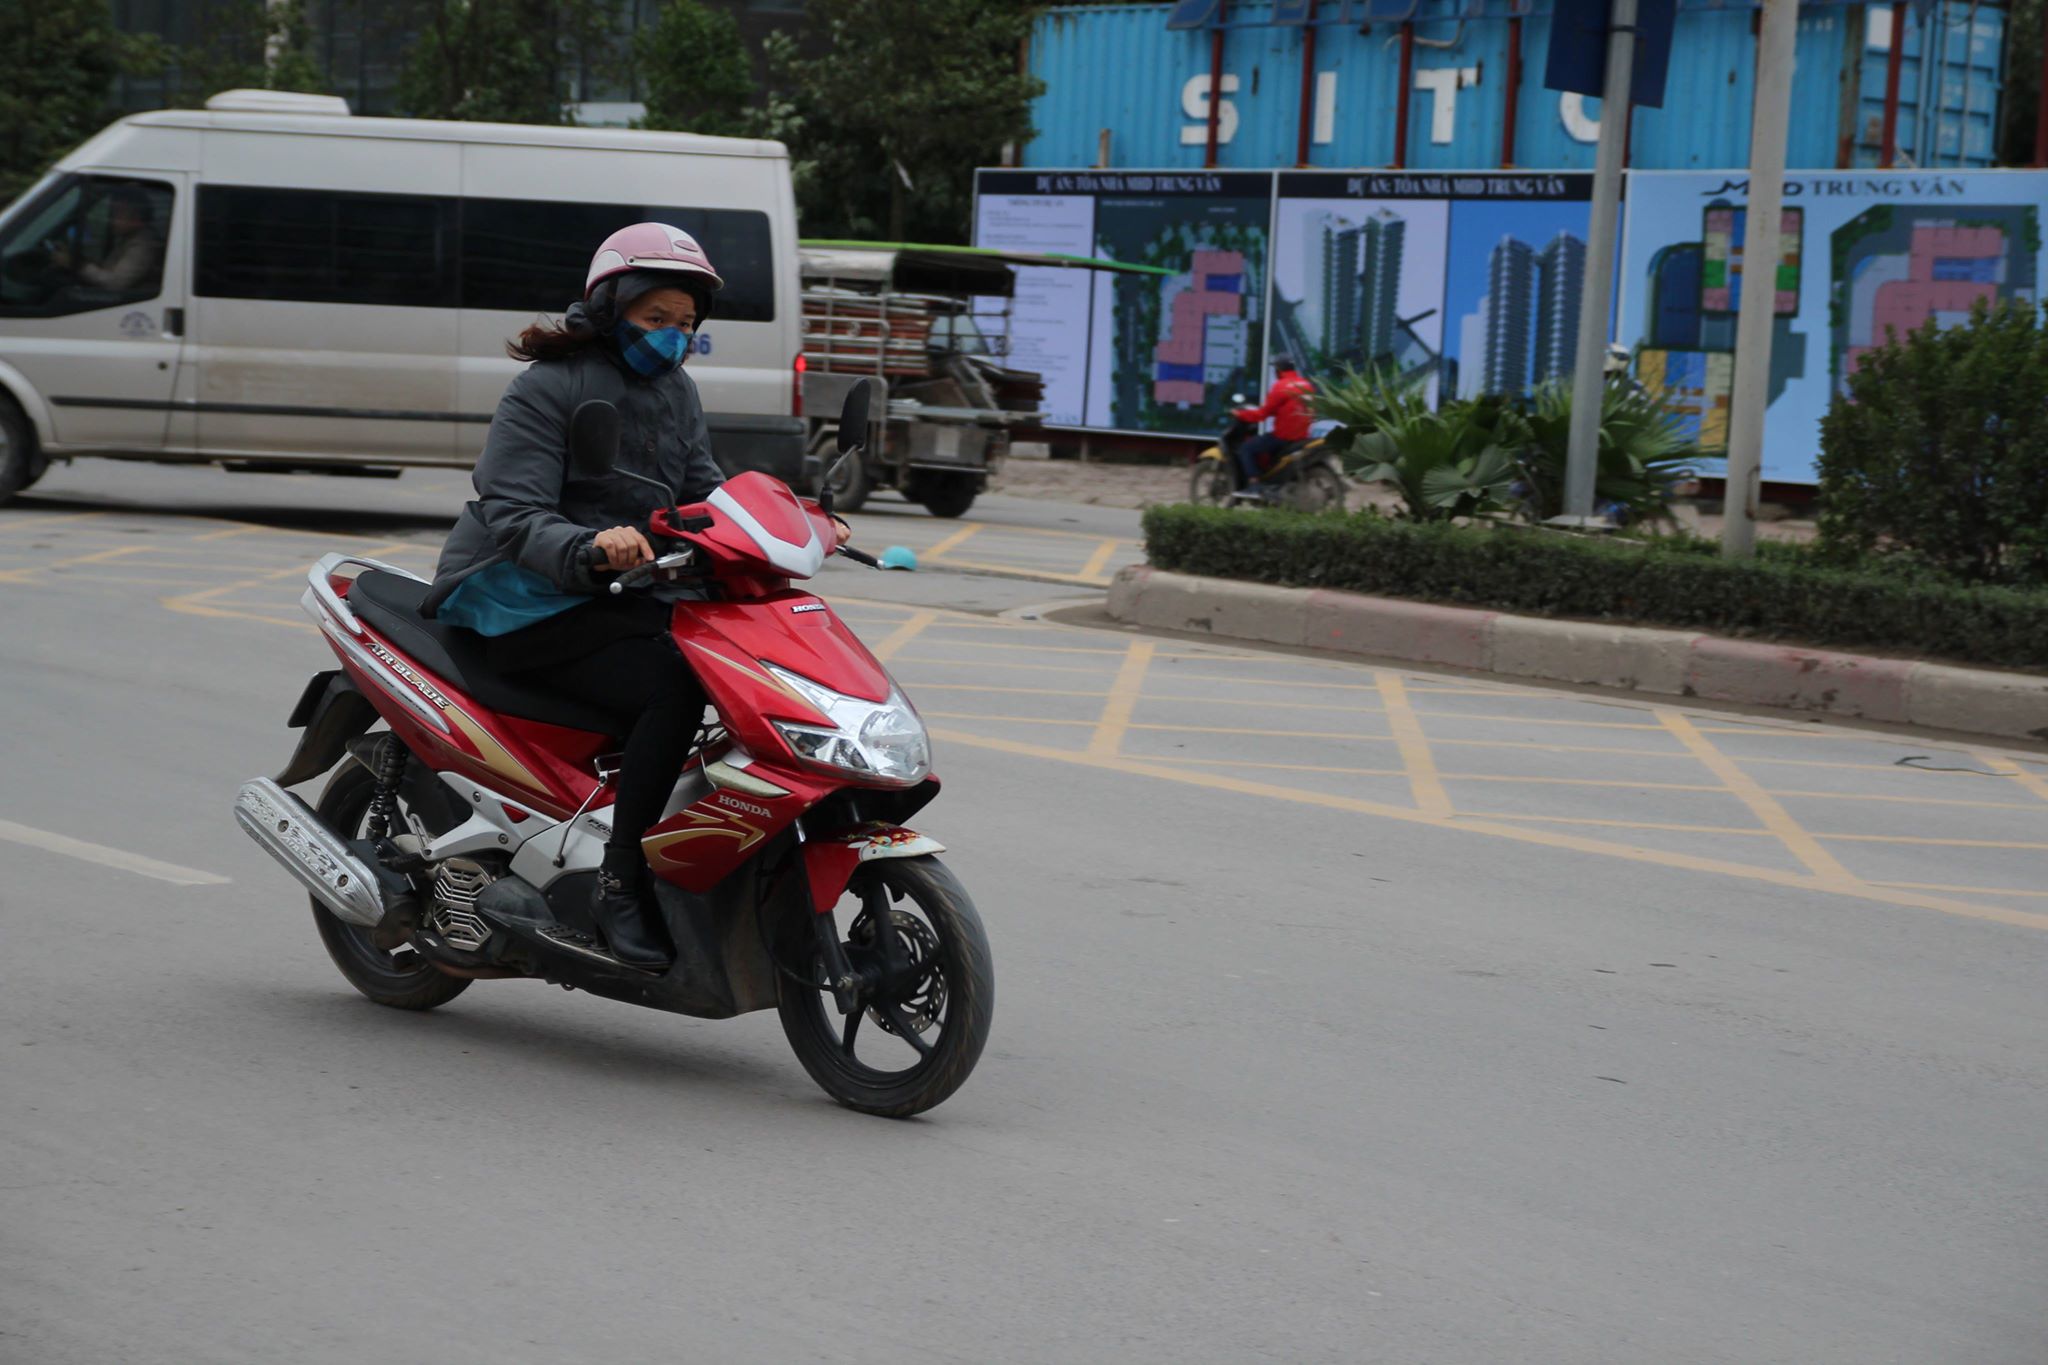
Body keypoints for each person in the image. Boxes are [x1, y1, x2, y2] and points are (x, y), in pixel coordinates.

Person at [431, 222, 849, 968]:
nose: (672, 336)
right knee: (672, 684)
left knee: (738, 665)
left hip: (619, 590)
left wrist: (797, 526)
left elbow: (704, 493)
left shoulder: (675, 391)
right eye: (656, 318)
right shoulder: (547, 388)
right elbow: (514, 512)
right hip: (518, 598)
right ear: (610, 308)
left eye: (685, 323)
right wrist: (588, 545)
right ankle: (619, 882)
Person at [51, 185, 162, 294]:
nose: (112, 218)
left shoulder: (143, 245)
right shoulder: (128, 237)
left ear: (136, 218)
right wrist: (76, 259)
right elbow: (107, 269)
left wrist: (76, 264)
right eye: (113, 212)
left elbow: (115, 283)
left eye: (119, 212)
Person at [1231, 356, 1316, 494]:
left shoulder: (1281, 386)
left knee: (1246, 448)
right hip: (1302, 437)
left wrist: (1240, 414)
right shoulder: (1306, 385)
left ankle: (1254, 484)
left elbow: (1262, 414)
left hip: (1283, 437)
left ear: (1278, 370)